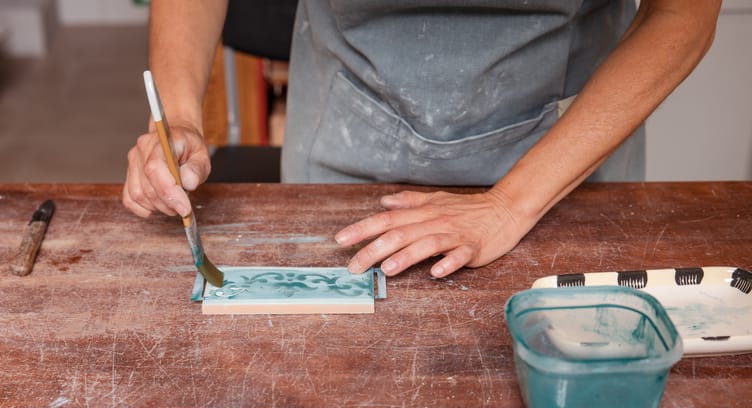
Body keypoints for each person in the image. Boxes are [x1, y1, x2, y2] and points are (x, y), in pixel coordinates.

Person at [124, 0, 720, 278]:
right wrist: (177, 113)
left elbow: (684, 13)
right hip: (345, 135)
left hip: (567, 156)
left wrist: (508, 205)